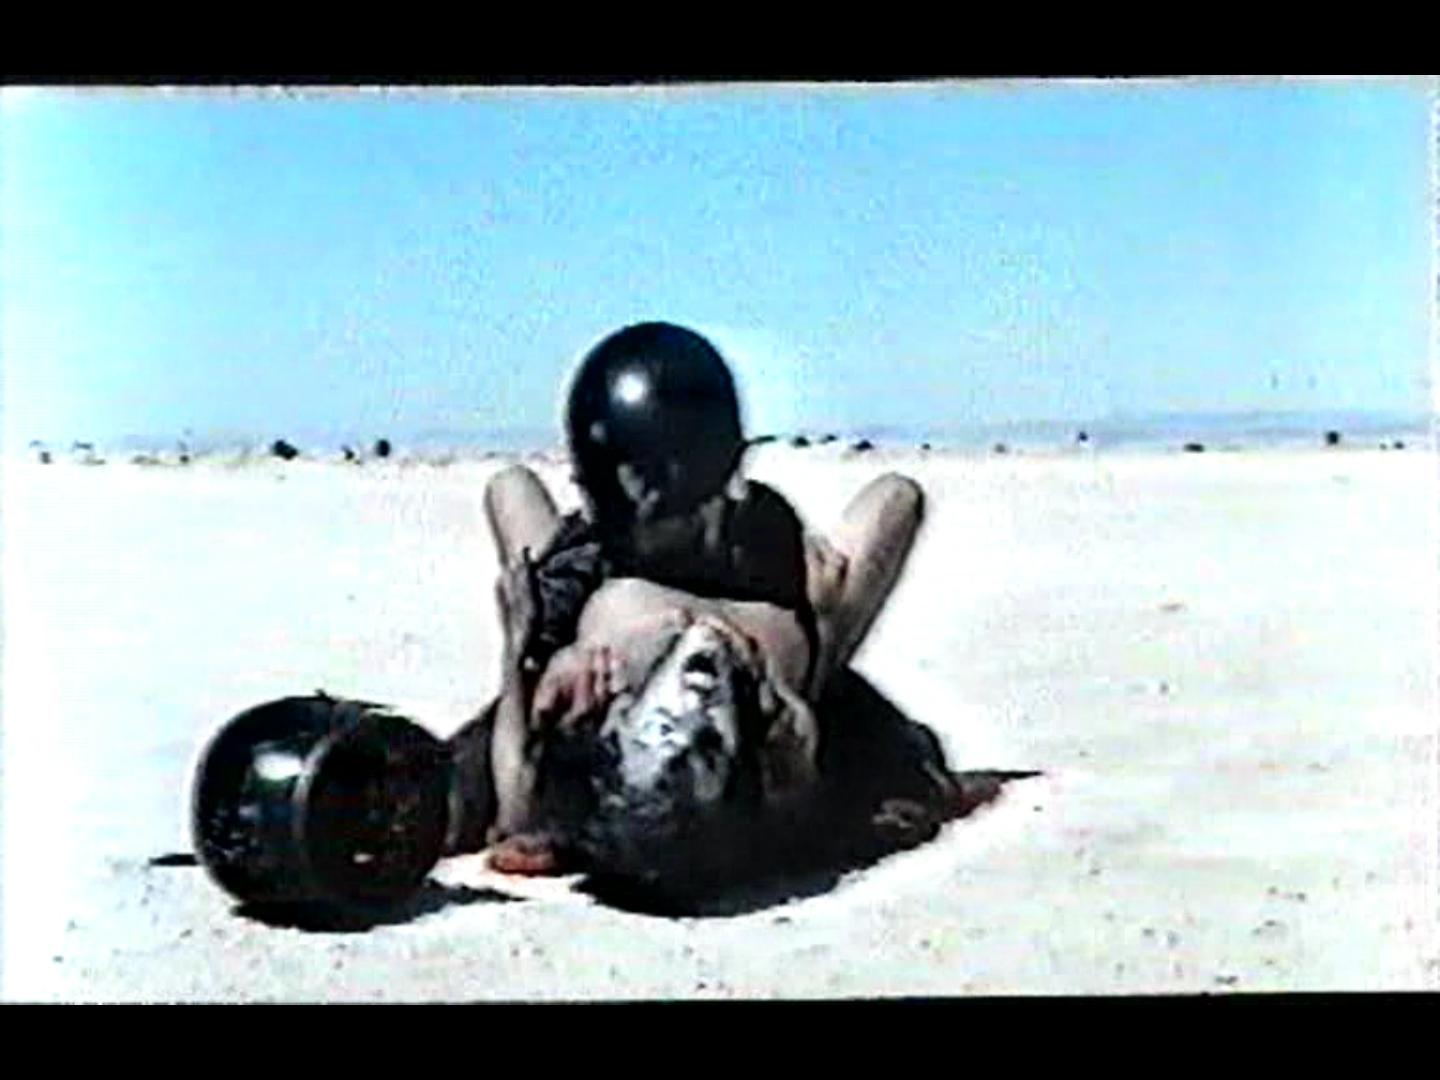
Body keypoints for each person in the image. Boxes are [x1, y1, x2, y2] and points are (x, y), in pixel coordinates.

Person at [447, 323, 926, 866]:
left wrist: (522, 660)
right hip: (697, 622)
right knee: (512, 488)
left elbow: (521, 803)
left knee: (514, 491)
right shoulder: (597, 590)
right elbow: (519, 808)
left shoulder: (766, 545)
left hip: (742, 629)